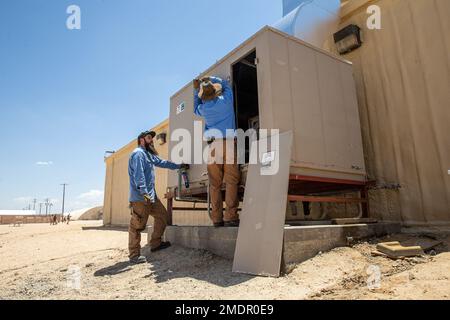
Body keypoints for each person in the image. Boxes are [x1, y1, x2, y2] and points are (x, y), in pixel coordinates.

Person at [128, 130, 189, 264]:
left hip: (151, 196)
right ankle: (134, 255)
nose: (152, 140)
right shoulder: (138, 154)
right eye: (149, 138)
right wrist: (144, 194)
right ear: (142, 140)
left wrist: (178, 166)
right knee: (137, 225)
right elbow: (139, 176)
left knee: (162, 215)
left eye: (152, 138)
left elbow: (162, 162)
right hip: (141, 197)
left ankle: (155, 244)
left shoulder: (148, 155)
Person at [193, 76, 240, 228]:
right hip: (228, 143)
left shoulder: (203, 109)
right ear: (215, 92)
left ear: (204, 97)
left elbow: (195, 107)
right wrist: (212, 78)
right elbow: (226, 85)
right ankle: (231, 217)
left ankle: (217, 219)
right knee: (231, 180)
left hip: (213, 146)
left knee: (215, 184)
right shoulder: (225, 101)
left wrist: (196, 90)